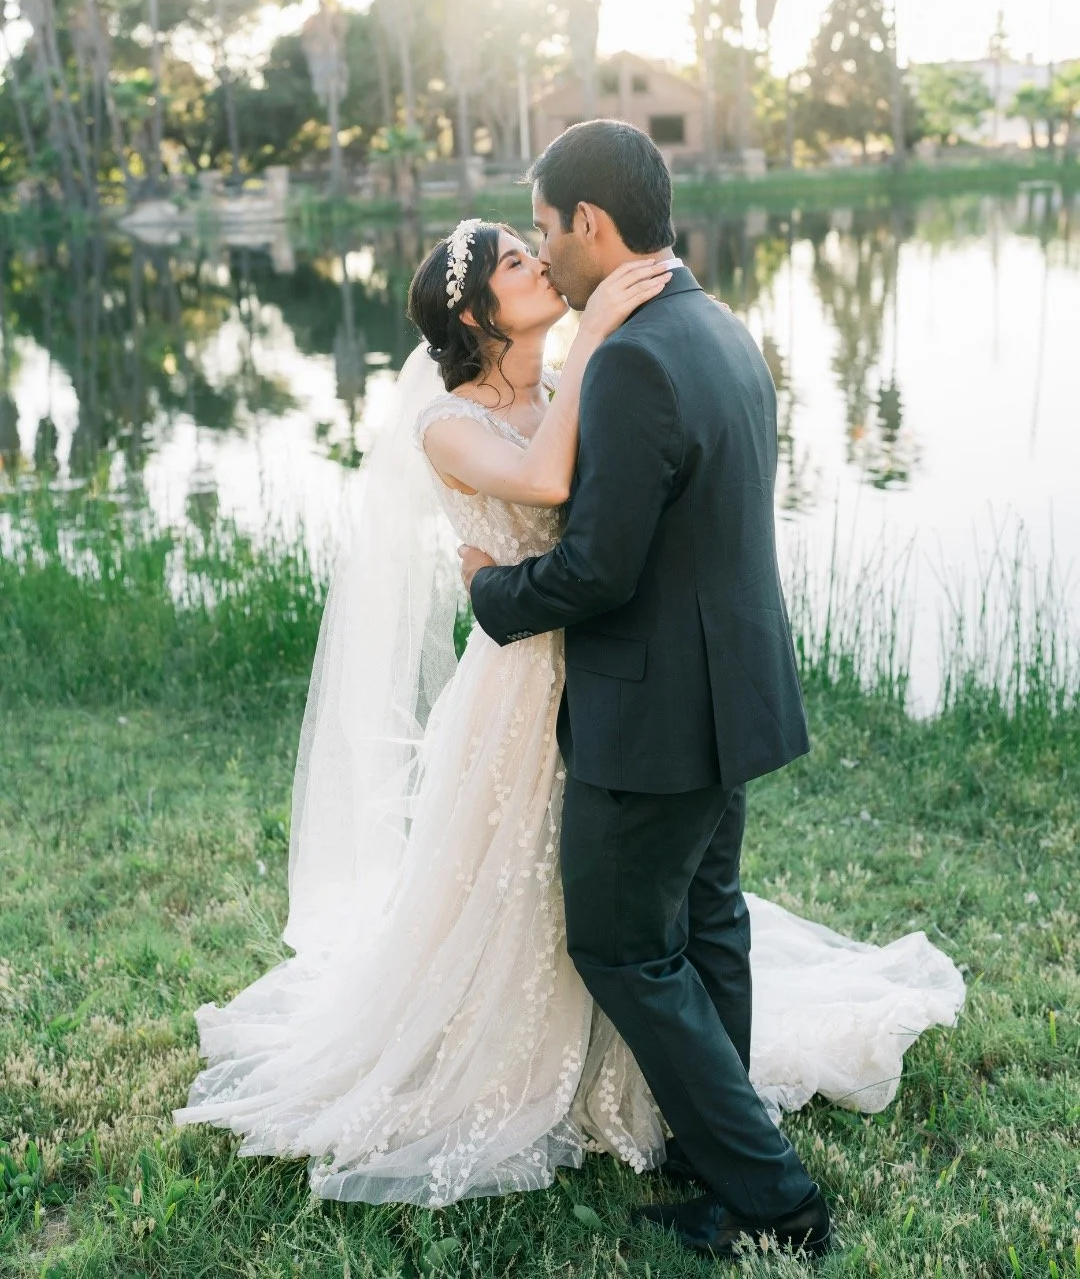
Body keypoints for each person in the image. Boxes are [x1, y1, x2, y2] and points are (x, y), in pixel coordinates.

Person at [175, 128, 964, 1256]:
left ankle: (774, 1199)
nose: (541, 253)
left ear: (588, 223)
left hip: (651, 706)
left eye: (542, 230)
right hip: (720, 690)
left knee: (622, 947)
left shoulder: (626, 355)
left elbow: (597, 567)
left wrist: (494, 591)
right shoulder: (711, 326)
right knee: (705, 922)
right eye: (515, 256)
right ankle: (705, 1141)